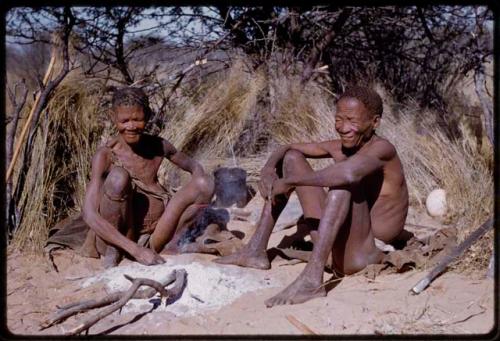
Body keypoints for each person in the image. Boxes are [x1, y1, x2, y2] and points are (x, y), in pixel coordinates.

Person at [215, 86, 409, 307]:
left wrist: (289, 182)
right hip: (331, 241)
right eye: (339, 119)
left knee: (343, 181)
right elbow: (287, 147)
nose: (344, 128)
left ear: (374, 122)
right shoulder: (343, 147)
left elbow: (348, 173)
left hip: (365, 251)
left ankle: (311, 279)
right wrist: (269, 168)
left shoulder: (383, 149)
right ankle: (255, 250)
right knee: (291, 158)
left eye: (352, 121)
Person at [82, 87, 214, 267]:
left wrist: (197, 205)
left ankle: (173, 243)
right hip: (120, 239)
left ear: (148, 115)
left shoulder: (158, 146)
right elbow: (89, 214)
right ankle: (117, 253)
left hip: (157, 233)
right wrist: (136, 250)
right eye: (124, 120)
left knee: (204, 183)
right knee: (118, 178)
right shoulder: (106, 156)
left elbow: (194, 166)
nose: (131, 126)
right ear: (113, 118)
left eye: (137, 119)